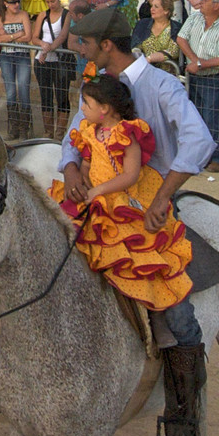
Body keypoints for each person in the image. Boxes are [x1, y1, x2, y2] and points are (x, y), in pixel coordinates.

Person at [58, 7, 215, 436]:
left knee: (177, 314)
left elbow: (199, 141)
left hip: (148, 209)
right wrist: (69, 170)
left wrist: (164, 196)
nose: (80, 48)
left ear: (107, 45)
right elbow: (73, 136)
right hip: (101, 204)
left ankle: (182, 425)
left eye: (85, 42)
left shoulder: (163, 85)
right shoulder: (98, 86)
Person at [50, 69, 194, 312]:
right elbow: (87, 162)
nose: (82, 108)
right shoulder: (89, 130)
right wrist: (84, 180)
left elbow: (130, 175)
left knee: (130, 247)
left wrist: (99, 190)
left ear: (104, 108)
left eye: (86, 103)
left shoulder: (127, 134)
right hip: (95, 194)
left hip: (121, 197)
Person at [176, 0, 219, 171]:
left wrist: (200, 64)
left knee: (210, 117)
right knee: (192, 116)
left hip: (212, 77)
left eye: (206, 0)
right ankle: (195, 155)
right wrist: (194, 60)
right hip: (193, 75)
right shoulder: (194, 18)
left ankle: (217, 158)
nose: (201, 2)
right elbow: (181, 38)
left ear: (216, 6)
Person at [31, 0, 74, 137]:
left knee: (62, 95)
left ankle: (60, 132)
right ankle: (48, 131)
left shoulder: (67, 15)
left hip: (59, 59)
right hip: (42, 60)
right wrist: (42, 44)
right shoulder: (43, 15)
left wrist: (48, 48)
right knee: (46, 95)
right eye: (47, 2)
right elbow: (34, 37)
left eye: (53, 1)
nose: (50, 5)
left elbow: (63, 35)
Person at [0, 0, 33, 137]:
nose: (16, 4)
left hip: (22, 55)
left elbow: (28, 36)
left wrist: (8, 36)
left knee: (23, 88)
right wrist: (17, 34)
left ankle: (24, 127)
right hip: (6, 56)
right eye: (13, 2)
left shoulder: (23, 15)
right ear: (5, 4)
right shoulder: (1, 17)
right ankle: (13, 126)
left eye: (18, 1)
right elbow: (0, 38)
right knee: (10, 91)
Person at [134, 0, 181, 72]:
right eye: (152, 6)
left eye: (156, 6)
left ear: (166, 11)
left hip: (167, 74)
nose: (152, 9)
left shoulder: (176, 28)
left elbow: (173, 51)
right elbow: (135, 47)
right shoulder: (142, 25)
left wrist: (150, 59)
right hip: (144, 71)